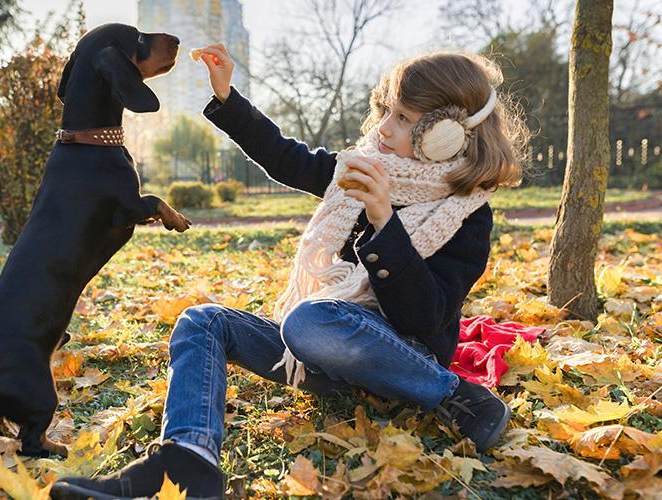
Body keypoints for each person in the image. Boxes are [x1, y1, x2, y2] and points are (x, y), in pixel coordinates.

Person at [51, 44, 529, 500]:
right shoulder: (361, 169)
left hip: (401, 361)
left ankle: (455, 396)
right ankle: (187, 462)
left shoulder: (465, 215)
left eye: (403, 119)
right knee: (202, 321)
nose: (384, 126)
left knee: (311, 319)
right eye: (386, 109)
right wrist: (226, 96)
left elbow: (424, 318)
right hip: (322, 356)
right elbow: (285, 157)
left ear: (444, 136)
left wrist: (385, 223)